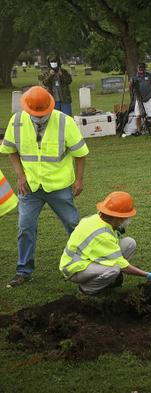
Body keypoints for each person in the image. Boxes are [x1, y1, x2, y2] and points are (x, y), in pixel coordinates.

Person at [0, 86, 89, 288]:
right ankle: (23, 271)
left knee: (73, 225)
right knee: (25, 227)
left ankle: (84, 262)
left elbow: (80, 153)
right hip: (30, 187)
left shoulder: (65, 122)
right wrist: (20, 176)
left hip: (59, 186)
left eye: (43, 114)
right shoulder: (17, 121)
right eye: (35, 114)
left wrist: (79, 180)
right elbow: (10, 149)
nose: (39, 117)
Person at [60, 192, 151, 295]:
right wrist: (148, 275)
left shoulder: (98, 218)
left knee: (130, 243)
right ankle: (86, 289)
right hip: (74, 268)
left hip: (87, 258)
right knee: (114, 269)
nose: (128, 219)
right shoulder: (102, 235)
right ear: (116, 217)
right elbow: (123, 265)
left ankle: (108, 279)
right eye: (126, 217)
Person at [128, 62, 151, 136]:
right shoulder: (134, 77)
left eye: (142, 68)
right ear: (137, 69)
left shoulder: (149, 76)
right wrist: (130, 85)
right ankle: (139, 130)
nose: (141, 70)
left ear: (144, 69)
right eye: (140, 68)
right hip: (138, 99)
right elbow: (131, 88)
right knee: (138, 115)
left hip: (148, 99)